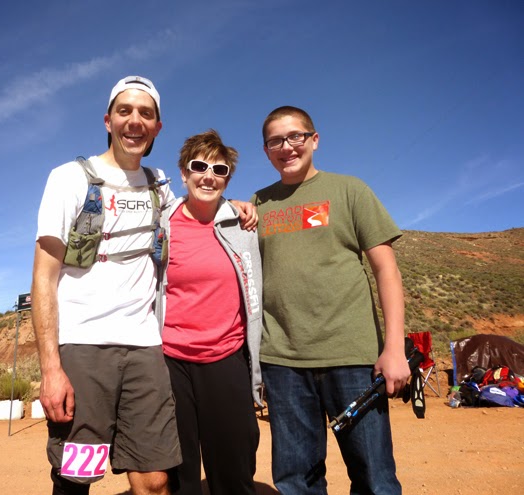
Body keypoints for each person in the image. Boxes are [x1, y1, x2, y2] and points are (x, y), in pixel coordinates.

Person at [31, 76, 257, 495]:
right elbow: (44, 277)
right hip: (84, 349)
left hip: (146, 351)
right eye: (125, 111)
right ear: (108, 120)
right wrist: (51, 369)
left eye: (146, 114)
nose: (135, 121)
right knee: (77, 475)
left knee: (155, 479)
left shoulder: (159, 186)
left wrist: (234, 206)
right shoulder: (69, 178)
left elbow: (199, 205)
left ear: (157, 127)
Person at [252, 106, 411, 494]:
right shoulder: (258, 204)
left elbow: (386, 271)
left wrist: (394, 349)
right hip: (283, 362)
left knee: (374, 478)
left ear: (314, 140)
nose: (286, 147)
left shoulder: (350, 190)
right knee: (296, 482)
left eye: (295, 136)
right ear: (266, 150)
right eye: (275, 141)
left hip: (351, 357)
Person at [155, 130, 263, 495]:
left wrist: (238, 206)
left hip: (226, 357)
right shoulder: (161, 223)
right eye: (199, 166)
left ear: (228, 179)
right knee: (178, 472)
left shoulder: (242, 224)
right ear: (183, 173)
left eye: (219, 169)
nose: (208, 176)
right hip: (171, 362)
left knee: (234, 469)